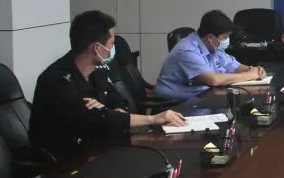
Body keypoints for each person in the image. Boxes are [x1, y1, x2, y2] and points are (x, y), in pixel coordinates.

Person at [30, 11, 186, 159]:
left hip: (99, 147)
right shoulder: (56, 80)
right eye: (111, 43)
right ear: (97, 48)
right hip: (66, 161)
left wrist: (113, 111)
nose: (112, 48)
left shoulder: (98, 70)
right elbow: (96, 118)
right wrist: (152, 119)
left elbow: (117, 100)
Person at [155, 10, 268, 100]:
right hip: (175, 101)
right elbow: (213, 80)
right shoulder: (187, 50)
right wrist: (250, 75)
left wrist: (252, 69)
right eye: (224, 37)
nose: (227, 40)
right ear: (210, 37)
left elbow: (233, 65)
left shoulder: (213, 47)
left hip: (201, 94)